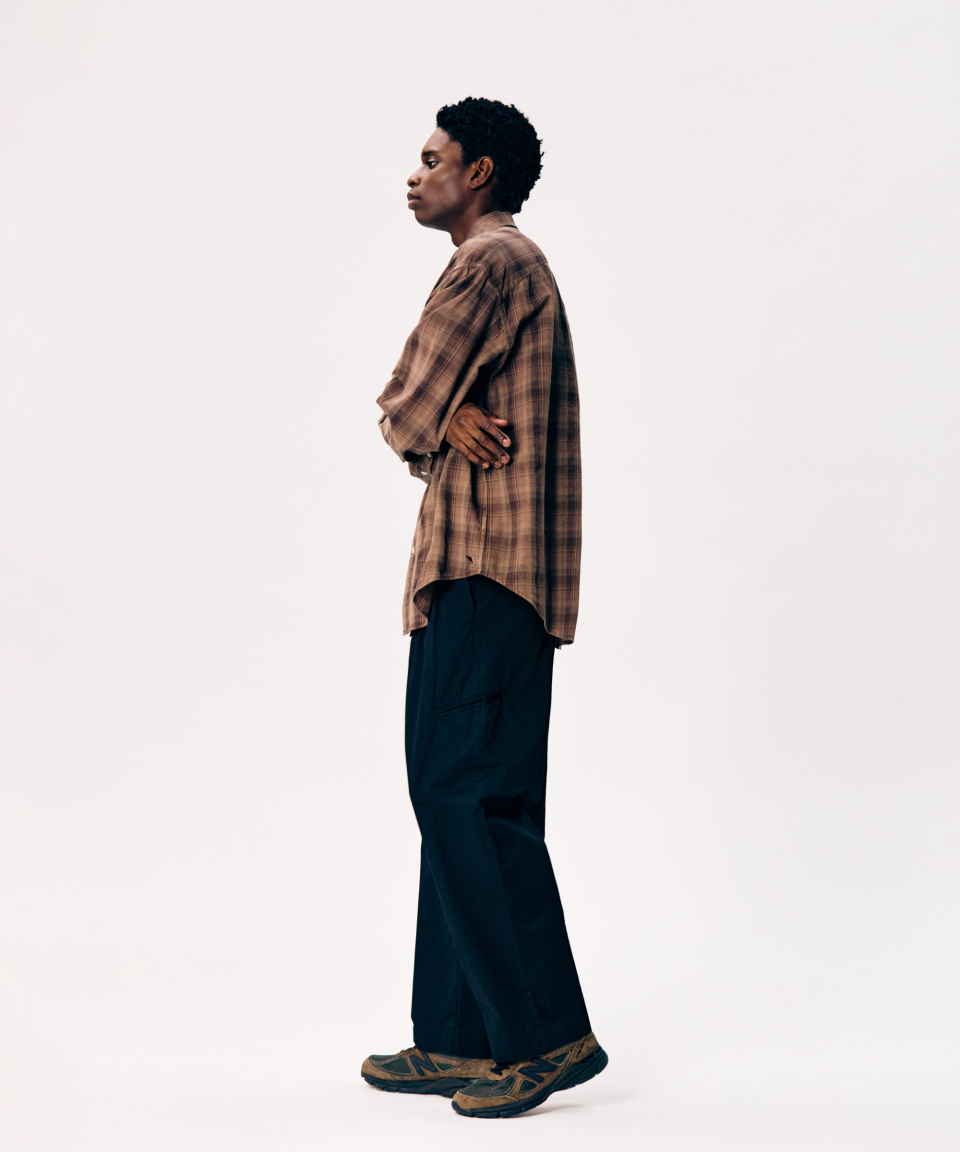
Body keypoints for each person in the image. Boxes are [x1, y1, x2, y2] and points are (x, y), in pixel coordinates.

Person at [361, 97, 607, 1120]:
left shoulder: (489, 264)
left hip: (482, 573)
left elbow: (400, 406)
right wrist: (448, 414)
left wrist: (434, 412)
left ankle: (545, 1037)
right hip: (485, 578)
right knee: (455, 798)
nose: (414, 175)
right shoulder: (514, 270)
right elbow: (431, 414)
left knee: (469, 797)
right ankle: (461, 1038)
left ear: (481, 173)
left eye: (433, 159)